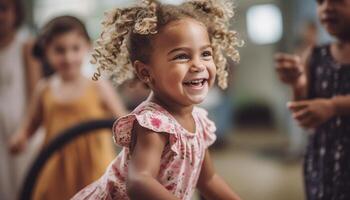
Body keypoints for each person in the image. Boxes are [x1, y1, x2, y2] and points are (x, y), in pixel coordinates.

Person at [72, 0, 242, 199]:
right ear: (145, 72)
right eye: (181, 56)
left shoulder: (199, 121)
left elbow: (208, 180)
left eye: (205, 54)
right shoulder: (154, 123)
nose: (198, 65)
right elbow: (139, 181)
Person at [9, 15, 127, 200]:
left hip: (93, 164)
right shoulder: (44, 89)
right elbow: (31, 124)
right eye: (60, 50)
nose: (68, 57)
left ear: (87, 47)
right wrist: (21, 138)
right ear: (47, 51)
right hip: (55, 163)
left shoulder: (97, 85)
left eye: (75, 48)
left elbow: (121, 118)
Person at [275, 0, 350, 199]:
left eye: (337, 0)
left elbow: (329, 107)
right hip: (322, 166)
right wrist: (297, 82)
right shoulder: (316, 56)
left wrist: (334, 106)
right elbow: (305, 116)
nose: (327, 7)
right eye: (320, 2)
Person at [0, 0, 42, 198]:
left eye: (3, 9)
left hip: (22, 128)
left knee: (26, 183)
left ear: (16, 12)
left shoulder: (25, 46)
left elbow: (36, 92)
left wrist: (25, 130)